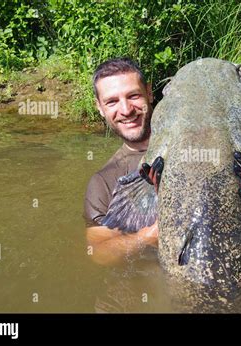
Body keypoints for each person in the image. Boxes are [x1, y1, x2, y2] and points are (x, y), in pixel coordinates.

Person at [84, 58, 158, 266]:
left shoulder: (193, 143)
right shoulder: (103, 182)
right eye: (112, 101)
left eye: (133, 96)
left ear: (149, 92)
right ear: (99, 107)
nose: (126, 110)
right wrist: (148, 236)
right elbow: (98, 252)